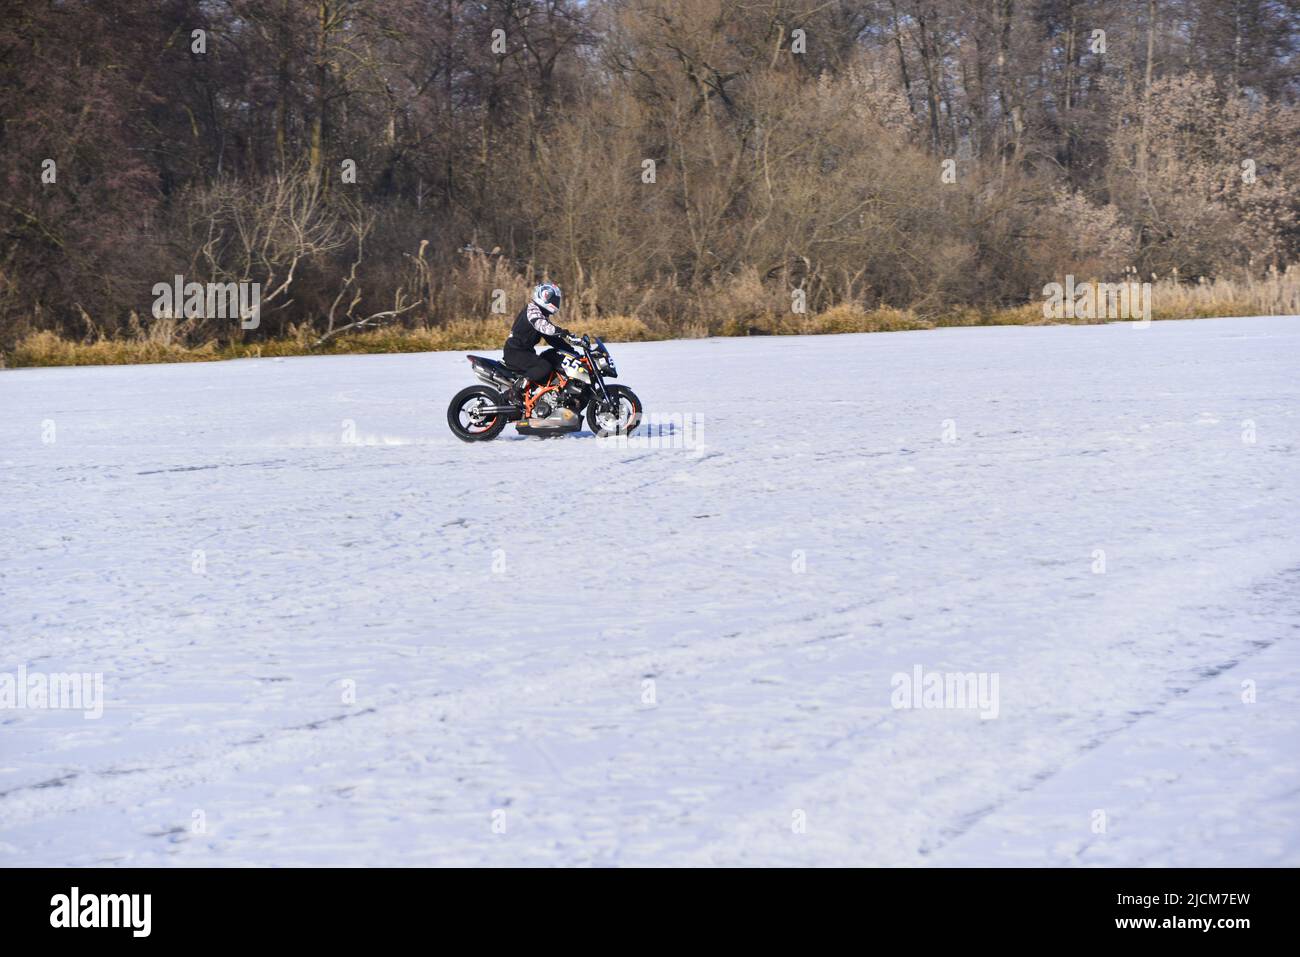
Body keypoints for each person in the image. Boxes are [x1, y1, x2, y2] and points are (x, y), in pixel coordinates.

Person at [502, 282, 582, 404]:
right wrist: (560, 331)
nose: (556, 303)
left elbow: (553, 339)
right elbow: (541, 325)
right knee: (544, 366)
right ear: (545, 297)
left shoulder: (541, 314)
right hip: (515, 352)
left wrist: (573, 353)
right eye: (554, 299)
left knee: (551, 362)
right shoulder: (532, 310)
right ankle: (514, 390)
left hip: (524, 352)